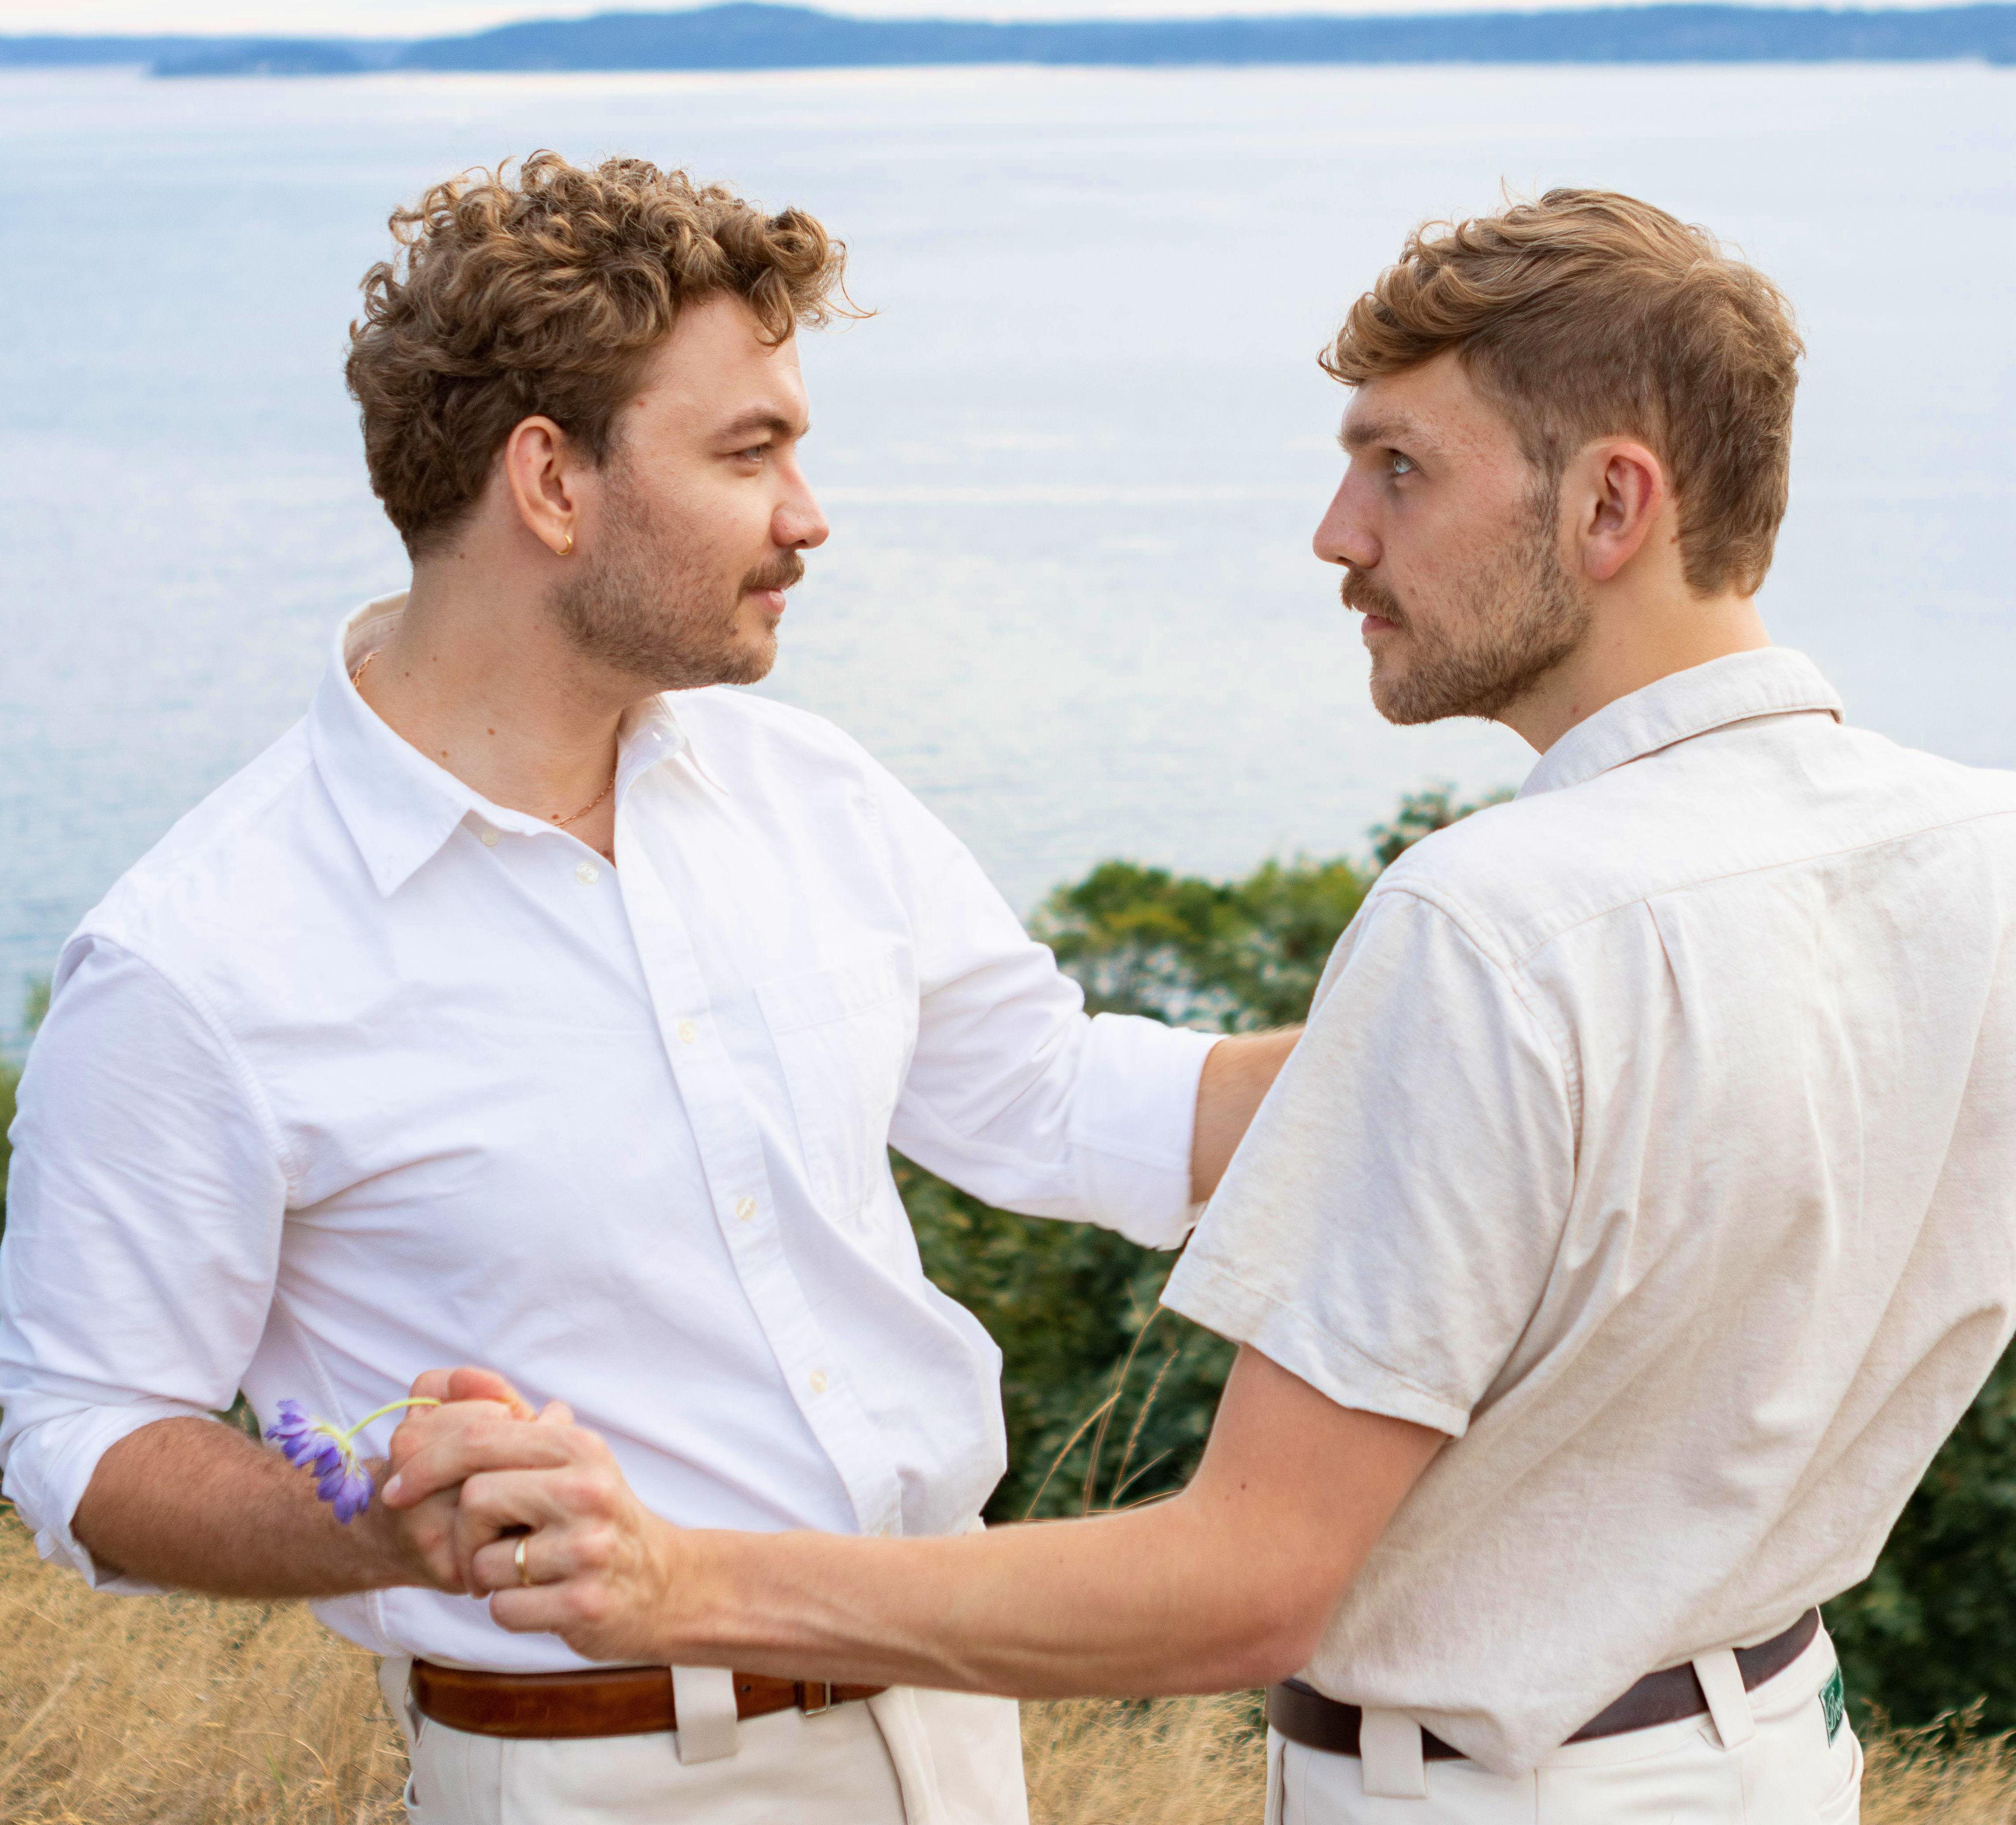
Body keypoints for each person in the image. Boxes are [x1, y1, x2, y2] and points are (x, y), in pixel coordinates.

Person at [395, 188, 2016, 1823]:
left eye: (1401, 466)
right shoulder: (1974, 855)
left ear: (1611, 505)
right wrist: (1425, 1081)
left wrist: (672, 1583)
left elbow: (1242, 1584)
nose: (1339, 533)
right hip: (1780, 1758)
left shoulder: (1490, 928)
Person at [0, 152, 1298, 1825]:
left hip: (955, 1724)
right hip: (602, 1780)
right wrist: (367, 1518)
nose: (808, 515)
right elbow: (89, 1430)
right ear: (550, 480)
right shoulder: (197, 957)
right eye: (751, 452)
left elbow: (1059, 1101)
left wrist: (1465, 1011)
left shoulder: (808, 789)